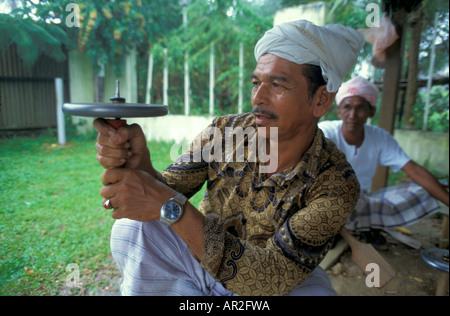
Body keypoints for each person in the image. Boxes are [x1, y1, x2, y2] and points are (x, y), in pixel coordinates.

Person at [94, 20, 364, 296]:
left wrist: (170, 206)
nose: (258, 97)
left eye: (278, 85)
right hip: (200, 258)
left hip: (277, 284)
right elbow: (168, 192)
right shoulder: (225, 133)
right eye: (256, 83)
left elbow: (271, 277)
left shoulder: (336, 184)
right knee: (131, 229)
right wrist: (139, 165)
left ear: (321, 99)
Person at [319, 76, 449, 250]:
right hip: (327, 198)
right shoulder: (326, 131)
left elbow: (413, 170)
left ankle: (359, 227)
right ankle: (337, 229)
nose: (353, 115)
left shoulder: (379, 137)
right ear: (339, 111)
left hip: (361, 200)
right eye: (347, 107)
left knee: (424, 189)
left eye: (360, 108)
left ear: (371, 111)